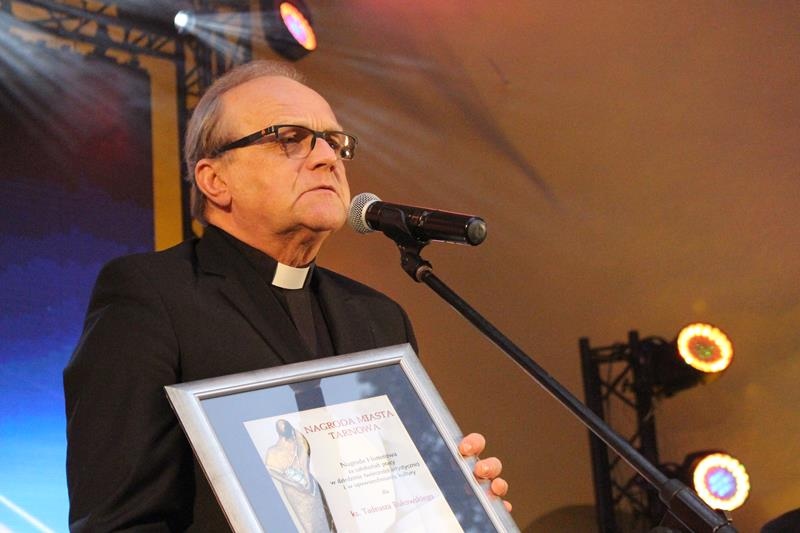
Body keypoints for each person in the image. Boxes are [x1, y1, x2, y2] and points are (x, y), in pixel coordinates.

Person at [64, 60, 509, 531]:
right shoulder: (152, 296)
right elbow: (119, 522)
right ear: (215, 180)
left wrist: (458, 509)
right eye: (289, 138)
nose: (327, 158)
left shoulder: (379, 318)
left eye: (334, 142)